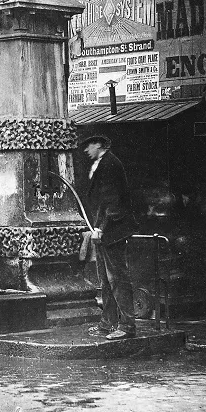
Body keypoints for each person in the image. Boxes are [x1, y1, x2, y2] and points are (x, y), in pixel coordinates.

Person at [82, 135, 137, 341]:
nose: (86, 149)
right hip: (103, 230)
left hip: (112, 231)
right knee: (105, 279)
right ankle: (108, 323)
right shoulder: (102, 163)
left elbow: (113, 202)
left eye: (89, 145)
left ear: (99, 145)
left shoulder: (110, 164)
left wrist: (102, 228)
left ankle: (127, 326)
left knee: (117, 279)